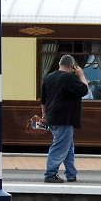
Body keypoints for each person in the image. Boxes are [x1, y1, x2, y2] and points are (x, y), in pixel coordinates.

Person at [41, 54, 89, 183]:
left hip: (52, 117)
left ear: (59, 64)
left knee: (68, 147)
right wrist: (81, 75)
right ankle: (50, 174)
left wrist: (44, 116)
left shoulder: (49, 77)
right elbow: (85, 89)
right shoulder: (68, 78)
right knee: (59, 146)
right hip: (64, 118)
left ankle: (71, 175)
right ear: (72, 66)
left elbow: (43, 100)